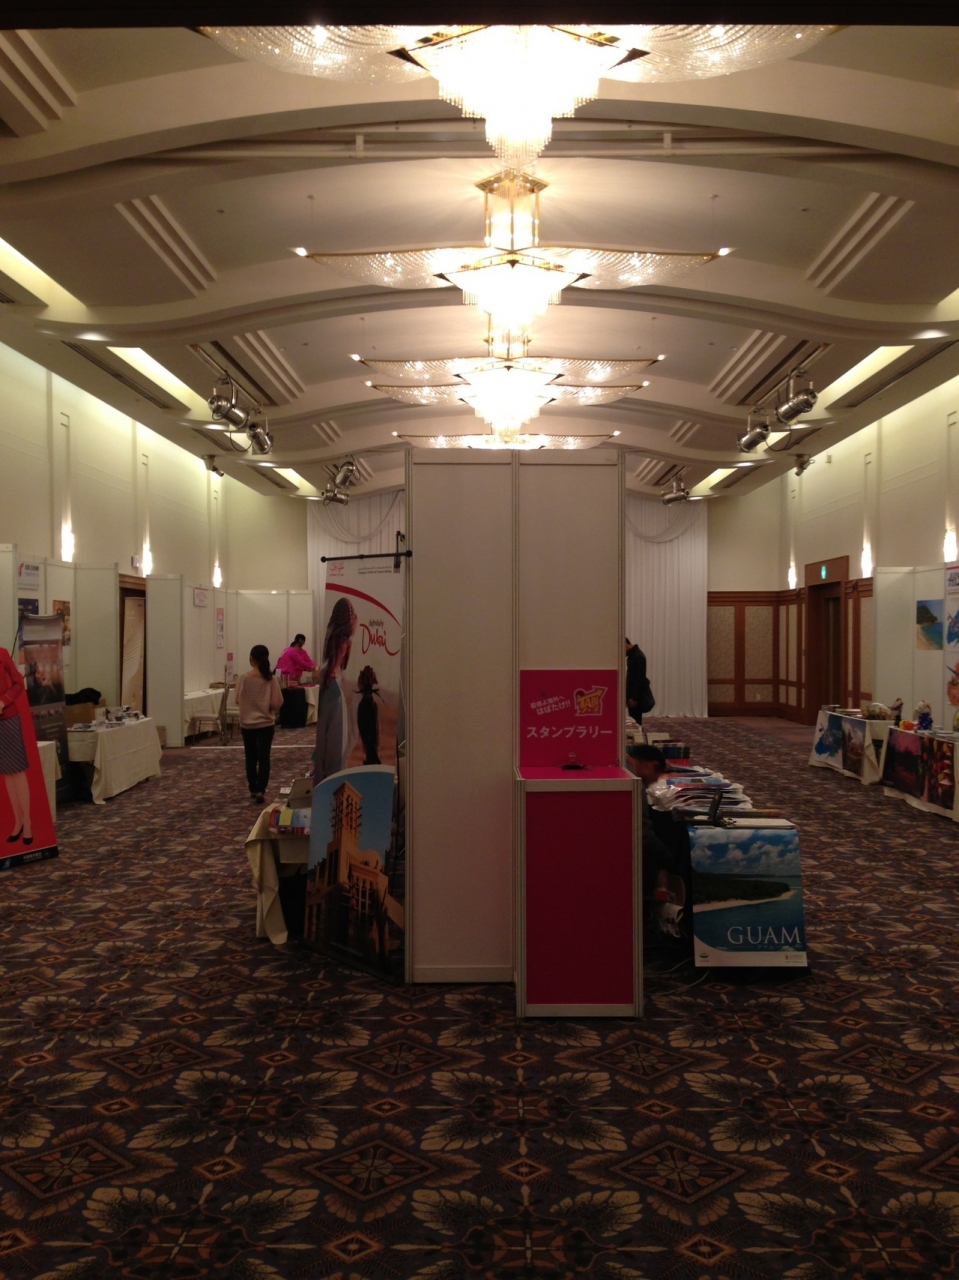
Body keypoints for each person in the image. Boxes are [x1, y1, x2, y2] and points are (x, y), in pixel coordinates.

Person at [627, 743, 691, 943]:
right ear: (651, 765)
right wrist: (668, 861)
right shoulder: (632, 782)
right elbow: (642, 834)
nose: (652, 783)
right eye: (656, 777)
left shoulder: (622, 767)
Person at [313, 597, 358, 787]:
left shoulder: (330, 678)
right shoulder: (333, 688)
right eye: (350, 638)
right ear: (344, 640)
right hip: (333, 784)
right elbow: (336, 753)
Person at [235, 645, 283, 804]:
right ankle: (261, 789)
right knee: (264, 757)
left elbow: (237, 699)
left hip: (247, 724)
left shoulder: (243, 678)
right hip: (266, 724)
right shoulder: (270, 679)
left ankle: (253, 788)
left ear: (251, 659)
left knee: (250, 757)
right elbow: (277, 702)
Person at [0, 647, 34, 846]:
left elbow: (18, 683)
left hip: (9, 719)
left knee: (18, 772)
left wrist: (2, 701)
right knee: (6, 773)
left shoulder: (2, 654)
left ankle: (27, 821)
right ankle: (18, 821)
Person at [625, 638, 653, 722]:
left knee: (636, 720)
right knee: (634, 719)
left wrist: (634, 698)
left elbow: (638, 679)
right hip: (632, 694)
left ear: (625, 645)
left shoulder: (638, 656)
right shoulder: (632, 656)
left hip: (636, 695)